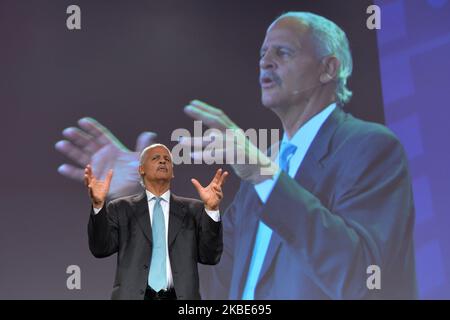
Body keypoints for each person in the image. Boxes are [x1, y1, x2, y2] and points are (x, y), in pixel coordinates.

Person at [57, 11, 417, 299]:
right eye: (262, 54)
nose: (265, 62)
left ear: (329, 68)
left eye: (283, 52)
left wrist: (262, 173)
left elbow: (364, 277)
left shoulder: (370, 147)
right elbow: (206, 275)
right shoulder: (267, 168)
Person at [85, 143, 227, 300]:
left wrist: (212, 210)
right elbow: (100, 249)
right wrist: (98, 205)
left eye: (167, 159)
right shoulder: (121, 208)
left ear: (172, 172)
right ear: (141, 169)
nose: (162, 161)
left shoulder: (194, 209)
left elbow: (210, 256)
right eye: (155, 158)